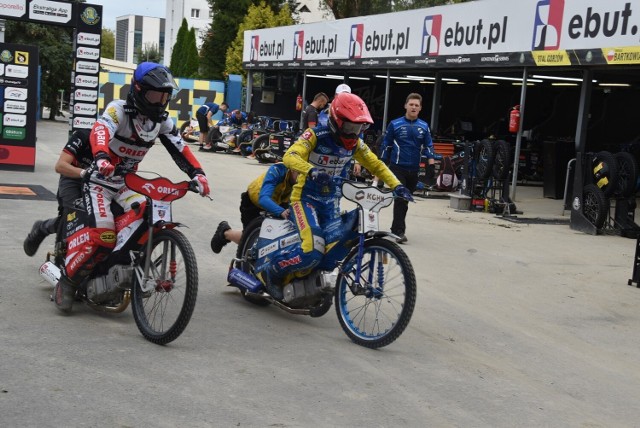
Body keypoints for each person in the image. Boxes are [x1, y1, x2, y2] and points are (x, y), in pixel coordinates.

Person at [52, 62, 211, 314]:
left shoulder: (162, 121)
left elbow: (181, 148)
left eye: (164, 97)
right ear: (138, 90)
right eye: (154, 95)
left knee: (149, 211)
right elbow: (101, 131)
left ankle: (124, 264)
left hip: (128, 184)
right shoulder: (119, 109)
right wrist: (102, 157)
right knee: (102, 236)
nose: (160, 102)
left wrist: (198, 174)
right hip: (100, 183)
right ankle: (68, 281)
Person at [258, 92, 412, 287]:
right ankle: (272, 271)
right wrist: (311, 170)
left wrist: (397, 185)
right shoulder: (315, 135)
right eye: (349, 126)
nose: (353, 132)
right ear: (336, 121)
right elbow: (290, 156)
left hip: (331, 204)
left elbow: (377, 165)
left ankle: (308, 282)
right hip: (304, 200)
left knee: (335, 250)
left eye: (359, 127)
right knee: (312, 251)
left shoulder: (357, 145)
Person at [23, 129, 93, 256]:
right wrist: (84, 173)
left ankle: (42, 228)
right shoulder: (83, 136)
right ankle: (43, 231)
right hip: (72, 177)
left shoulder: (121, 145)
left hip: (96, 183)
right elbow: (60, 166)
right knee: (72, 216)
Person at [380, 93, 435, 244]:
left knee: (405, 202)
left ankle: (395, 228)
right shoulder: (395, 124)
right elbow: (386, 146)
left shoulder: (423, 126)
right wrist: (378, 173)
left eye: (417, 105)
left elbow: (429, 145)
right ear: (405, 105)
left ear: (420, 108)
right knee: (401, 199)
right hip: (397, 168)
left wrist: (431, 165)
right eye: (411, 104)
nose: (413, 107)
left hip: (414, 170)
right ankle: (399, 232)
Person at [210, 163, 298, 253]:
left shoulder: (306, 178)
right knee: (251, 242)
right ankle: (225, 233)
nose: (302, 178)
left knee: (278, 240)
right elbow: (263, 199)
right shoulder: (277, 170)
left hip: (280, 202)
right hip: (254, 202)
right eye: (299, 173)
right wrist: (281, 211)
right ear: (292, 169)